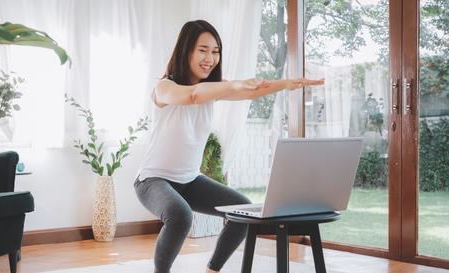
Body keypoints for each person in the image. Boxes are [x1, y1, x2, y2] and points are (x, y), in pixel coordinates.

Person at [134, 20, 324, 273]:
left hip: (190, 180)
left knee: (242, 211)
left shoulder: (211, 91)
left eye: (215, 51)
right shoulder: (165, 87)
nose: (210, 58)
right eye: (203, 50)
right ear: (186, 50)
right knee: (180, 215)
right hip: (152, 180)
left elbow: (248, 92)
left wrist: (287, 84)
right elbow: (192, 95)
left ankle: (212, 270)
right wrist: (234, 84)